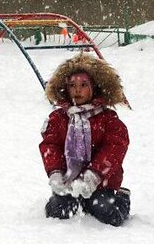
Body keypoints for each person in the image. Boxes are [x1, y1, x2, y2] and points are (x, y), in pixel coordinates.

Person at [39, 53, 131, 226]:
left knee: (106, 212)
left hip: (102, 182)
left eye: (83, 85)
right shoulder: (58, 118)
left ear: (93, 88)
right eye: (72, 85)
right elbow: (50, 145)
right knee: (59, 211)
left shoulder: (108, 118)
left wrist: (95, 174)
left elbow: (115, 146)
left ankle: (120, 199)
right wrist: (56, 173)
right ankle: (73, 199)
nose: (77, 90)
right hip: (69, 181)